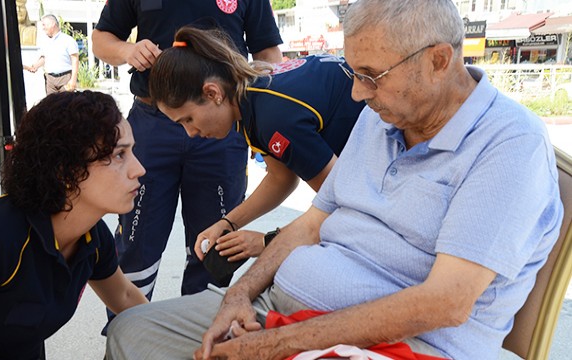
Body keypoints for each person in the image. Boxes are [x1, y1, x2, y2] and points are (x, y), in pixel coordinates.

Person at [105, 1, 564, 359]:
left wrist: (279, 345)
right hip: (288, 312)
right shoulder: (383, 117)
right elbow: (312, 221)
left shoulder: (508, 145)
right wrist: (239, 293)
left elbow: (445, 304)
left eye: (371, 76)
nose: (357, 93)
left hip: (403, 345)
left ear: (439, 61)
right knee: (132, 330)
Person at [0, 90, 148, 359]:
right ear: (66, 171)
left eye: (132, 152)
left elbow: (126, 298)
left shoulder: (91, 237)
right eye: (119, 155)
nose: (138, 168)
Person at [92, 0, 283, 300]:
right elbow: (101, 39)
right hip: (152, 121)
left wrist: (268, 114)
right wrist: (128, 51)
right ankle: (128, 333)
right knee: (136, 240)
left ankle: (200, 336)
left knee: (215, 245)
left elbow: (269, 55)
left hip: (221, 122)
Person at [148, 27, 365, 268]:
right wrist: (228, 223)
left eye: (188, 119)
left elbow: (341, 204)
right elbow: (281, 177)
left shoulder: (272, 119)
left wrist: (266, 241)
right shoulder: (251, 94)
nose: (190, 133)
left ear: (212, 93)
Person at [25, 14, 78, 94]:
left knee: (66, 104)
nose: (43, 28)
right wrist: (34, 66)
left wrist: (73, 79)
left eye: (44, 25)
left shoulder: (68, 40)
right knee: (51, 105)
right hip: (50, 80)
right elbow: (44, 58)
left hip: (65, 79)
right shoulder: (44, 41)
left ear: (52, 24)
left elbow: (75, 60)